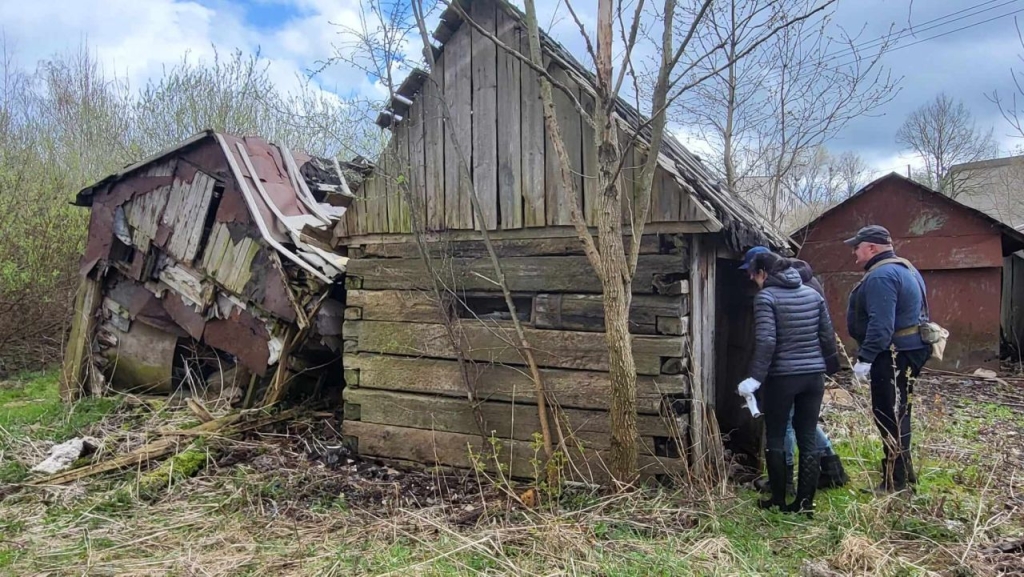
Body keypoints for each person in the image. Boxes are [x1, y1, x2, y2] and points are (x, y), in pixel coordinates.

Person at [737, 250, 838, 514]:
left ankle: (779, 499)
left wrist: (754, 378)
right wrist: (828, 368)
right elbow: (827, 336)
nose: (751, 278)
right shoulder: (813, 294)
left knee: (777, 437)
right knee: (807, 436)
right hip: (814, 377)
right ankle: (805, 503)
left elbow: (767, 341)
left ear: (764, 273)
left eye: (753, 273)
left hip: (783, 378)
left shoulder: (766, 297)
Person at [844, 225, 931, 493]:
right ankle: (905, 473)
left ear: (871, 248)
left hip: (893, 355)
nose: (854, 253)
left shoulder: (882, 275)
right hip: (908, 350)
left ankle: (896, 482)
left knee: (888, 414)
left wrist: (866, 358)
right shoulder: (906, 268)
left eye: (856, 247)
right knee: (901, 410)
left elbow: (881, 325)